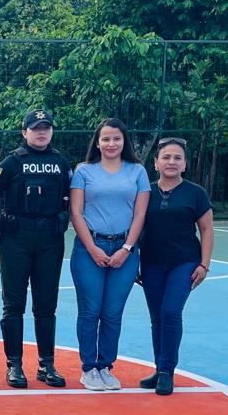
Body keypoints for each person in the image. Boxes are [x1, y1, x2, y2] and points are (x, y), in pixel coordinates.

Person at [0, 109, 72, 388]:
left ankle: (47, 364)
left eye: (46, 127)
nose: (42, 132)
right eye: (36, 128)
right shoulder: (11, 162)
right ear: (25, 132)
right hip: (16, 240)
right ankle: (14, 365)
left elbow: (72, 198)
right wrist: (3, 222)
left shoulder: (61, 163)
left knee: (46, 305)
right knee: (14, 304)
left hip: (50, 241)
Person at [69, 117, 150, 391]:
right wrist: (92, 248)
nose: (111, 143)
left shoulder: (137, 171)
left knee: (113, 312)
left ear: (124, 141)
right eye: (106, 139)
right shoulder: (83, 171)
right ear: (97, 142)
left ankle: (105, 366)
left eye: (116, 138)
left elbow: (140, 214)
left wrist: (127, 248)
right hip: (89, 248)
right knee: (90, 310)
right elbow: (76, 212)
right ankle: (88, 368)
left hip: (125, 250)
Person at [138, 137, 215, 396]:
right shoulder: (145, 192)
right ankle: (159, 367)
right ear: (156, 163)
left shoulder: (196, 193)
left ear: (185, 164)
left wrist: (204, 264)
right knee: (156, 317)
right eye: (166, 157)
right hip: (151, 263)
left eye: (177, 158)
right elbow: (136, 227)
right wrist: (134, 261)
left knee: (171, 311)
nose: (171, 162)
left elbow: (206, 230)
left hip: (184, 262)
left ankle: (167, 371)